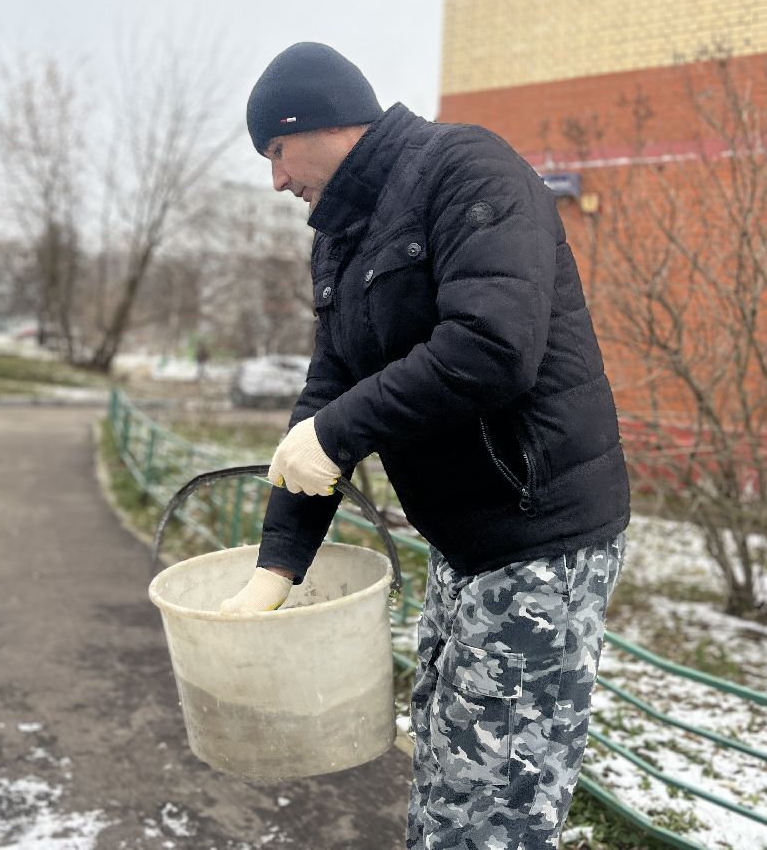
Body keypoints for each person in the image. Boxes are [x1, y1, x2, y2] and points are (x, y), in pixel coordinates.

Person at [218, 42, 631, 848]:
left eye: (275, 151)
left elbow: (492, 347)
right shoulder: (340, 234)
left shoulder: (467, 170)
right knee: (446, 774)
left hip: (538, 535)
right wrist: (277, 565)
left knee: (495, 807)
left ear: (318, 122)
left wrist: (335, 435)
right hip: (463, 543)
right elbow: (326, 393)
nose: (276, 180)